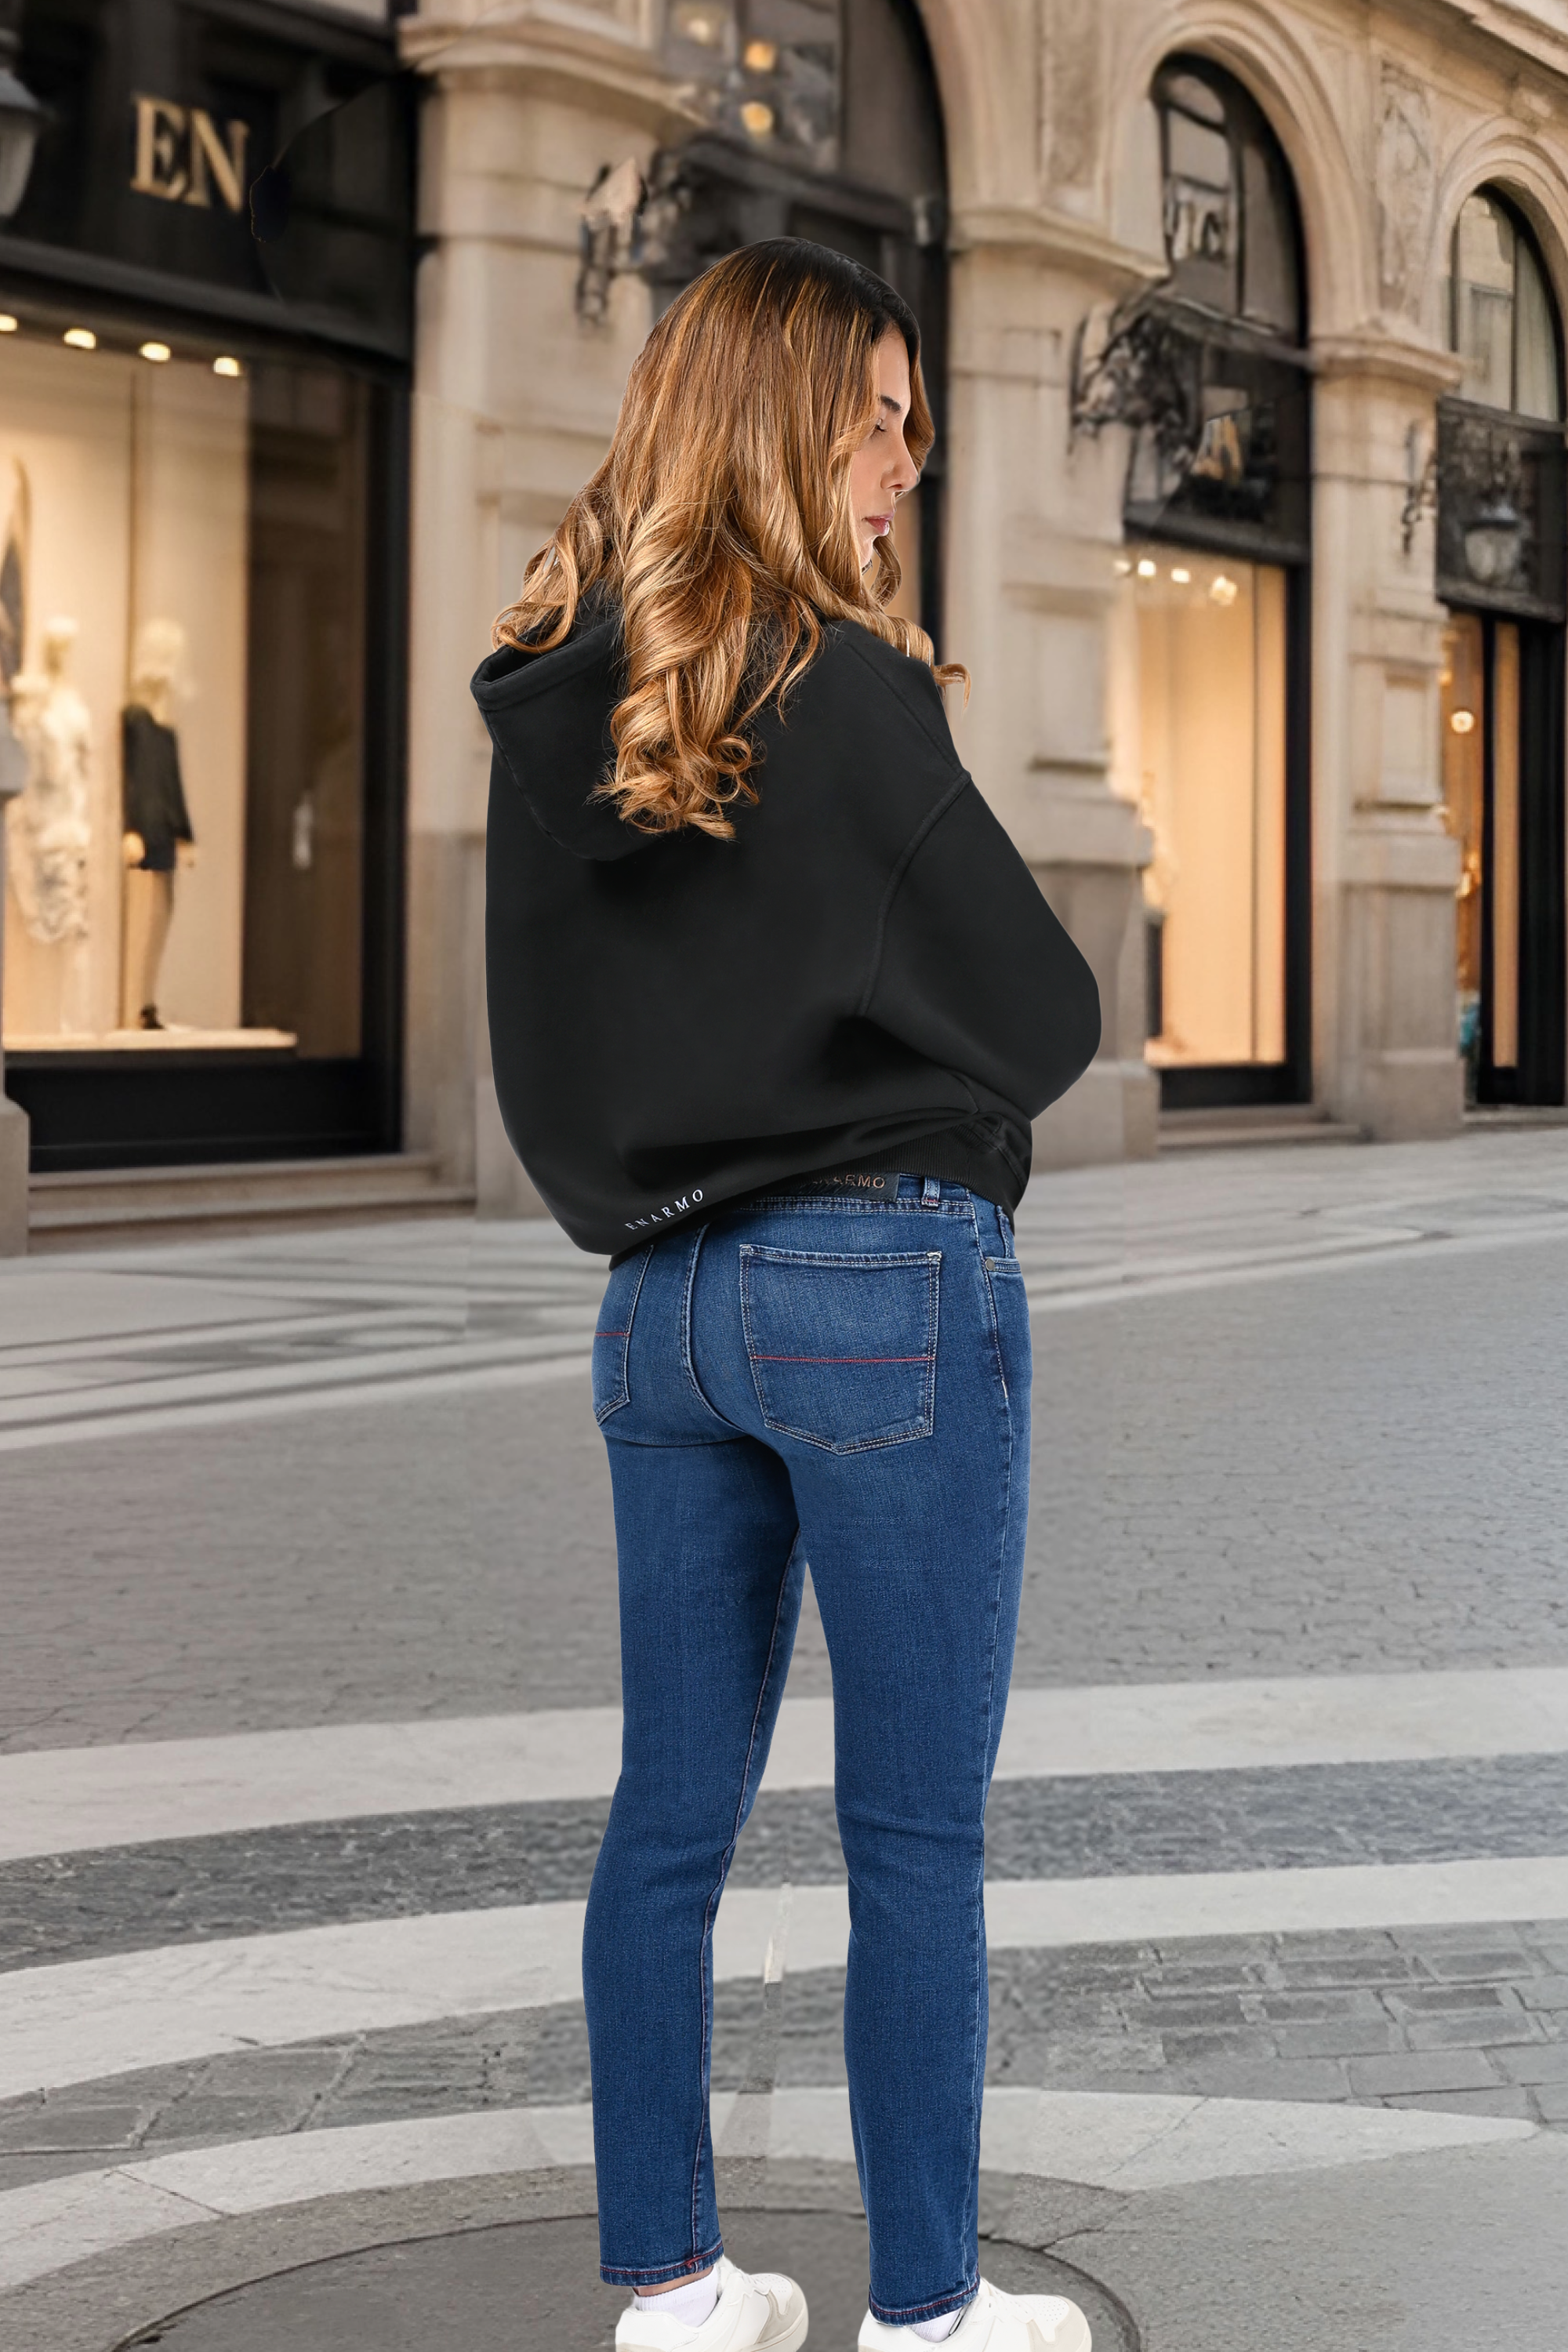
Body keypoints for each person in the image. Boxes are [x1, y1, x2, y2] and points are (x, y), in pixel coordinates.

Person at [473, 241, 1101, 2352]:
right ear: (790, 413)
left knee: (671, 1815)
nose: (907, 470)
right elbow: (1046, 1005)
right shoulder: (839, 689)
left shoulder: (561, 682)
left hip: (658, 1312)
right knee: (915, 1831)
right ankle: (927, 2313)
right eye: (885, 419)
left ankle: (671, 2284)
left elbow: (539, 1057)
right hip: (876, 1285)